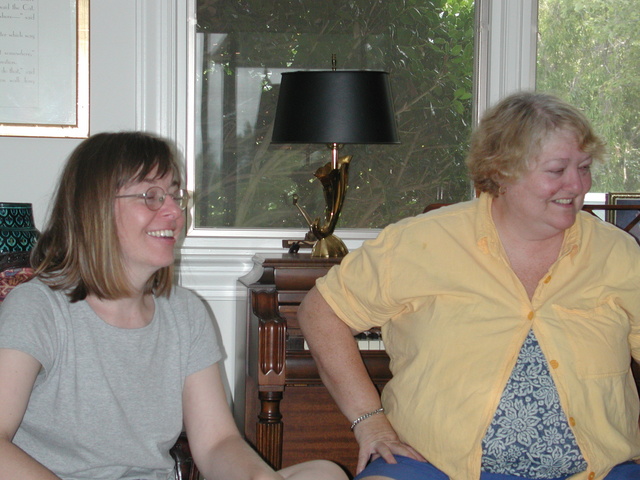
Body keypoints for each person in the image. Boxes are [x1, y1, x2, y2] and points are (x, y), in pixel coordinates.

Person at [297, 92, 640, 480]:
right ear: (502, 171)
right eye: (557, 170)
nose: (576, 184)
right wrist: (370, 421)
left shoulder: (616, 252)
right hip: (433, 467)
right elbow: (321, 313)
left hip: (599, 471)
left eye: (584, 167)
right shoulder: (422, 242)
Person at [0, 132, 348, 480]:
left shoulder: (185, 312)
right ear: (96, 207)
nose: (174, 213)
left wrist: (260, 479)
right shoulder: (38, 308)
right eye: (151, 196)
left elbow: (217, 442)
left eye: (176, 196)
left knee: (324, 473)